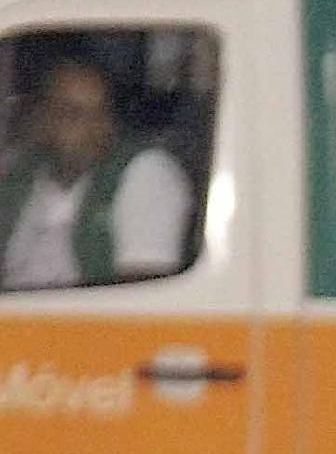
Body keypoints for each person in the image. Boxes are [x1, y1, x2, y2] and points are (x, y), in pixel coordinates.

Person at [0, 54, 193, 291]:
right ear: (43, 119)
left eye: (101, 113)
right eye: (73, 114)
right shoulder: (18, 175)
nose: (95, 129)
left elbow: (142, 296)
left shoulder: (145, 171)